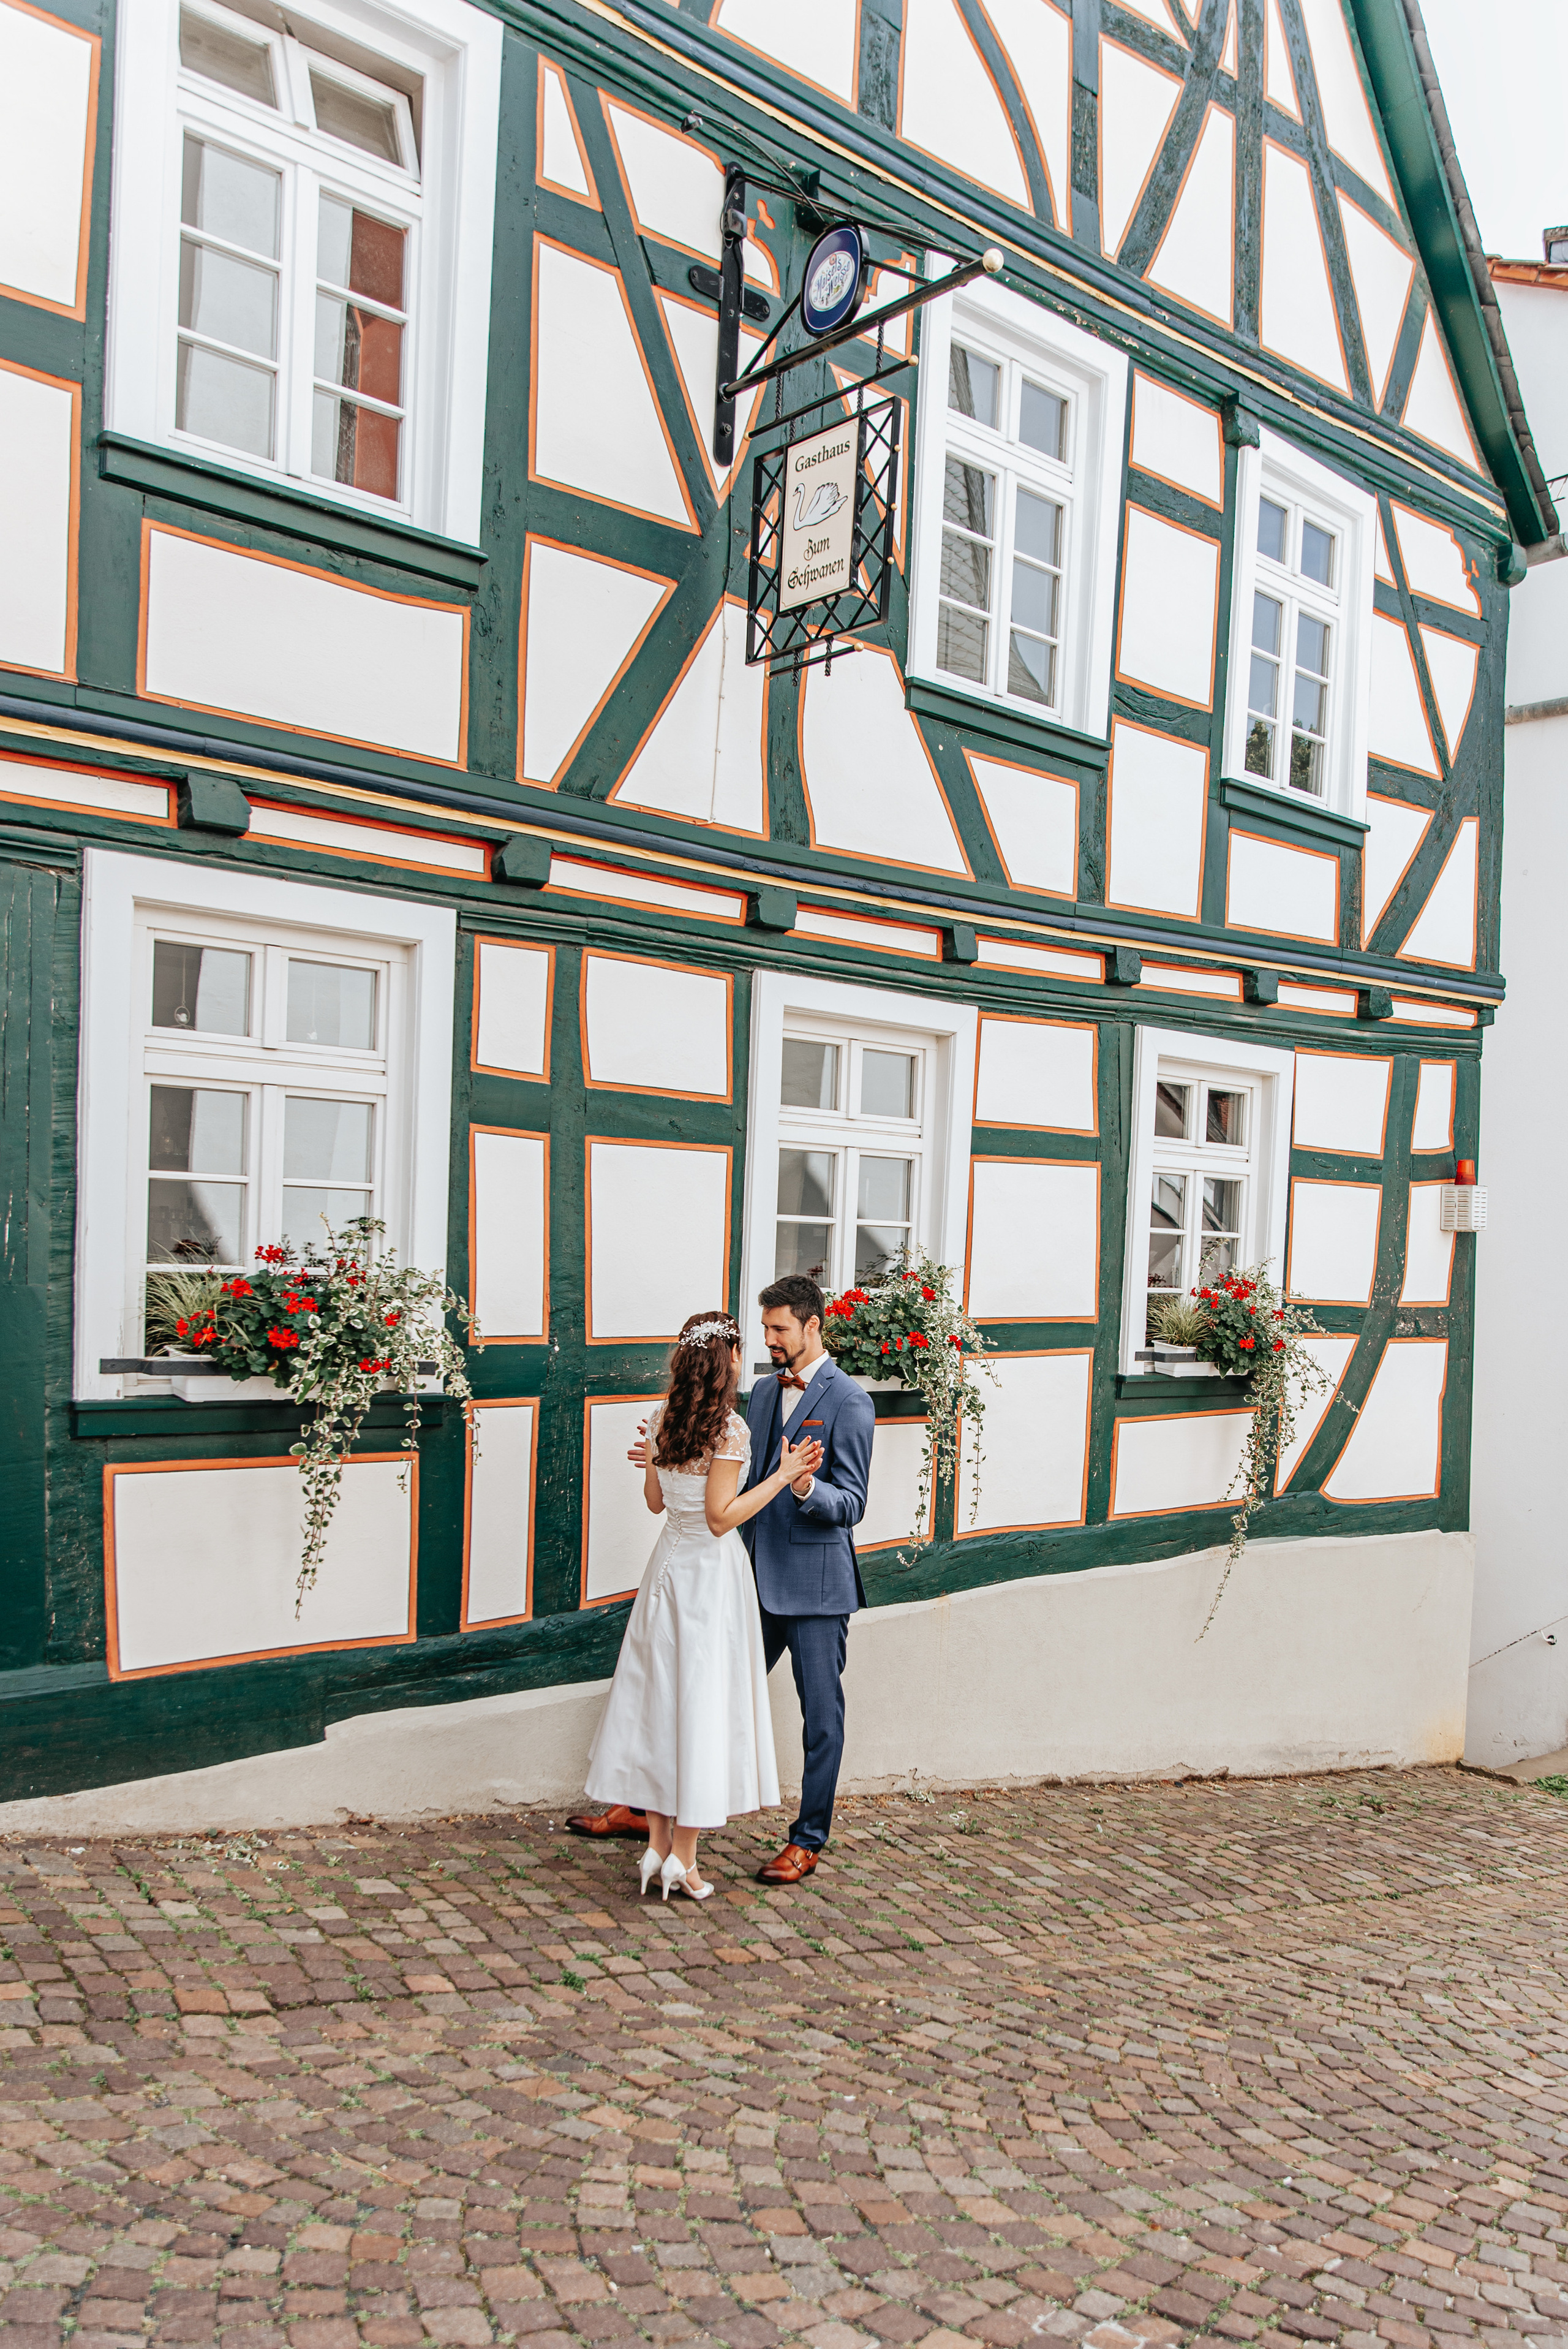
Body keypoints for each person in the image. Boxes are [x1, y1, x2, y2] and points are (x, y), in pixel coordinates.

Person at [579, 1312, 823, 1901]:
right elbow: (720, 1519)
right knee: (701, 1706)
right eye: (739, 1350)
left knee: (662, 1704)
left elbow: (656, 1503)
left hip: (665, 1572)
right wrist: (782, 1476)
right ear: (727, 1360)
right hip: (710, 1579)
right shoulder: (730, 1429)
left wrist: (654, 1461)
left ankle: (657, 1848)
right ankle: (683, 1861)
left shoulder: (663, 1418)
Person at [742, 1273, 875, 1886]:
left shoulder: (850, 1401)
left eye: (779, 1329)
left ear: (812, 1325)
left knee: (821, 1720)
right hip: (753, 1577)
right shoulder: (762, 1393)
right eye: (765, 1328)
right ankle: (655, 1808)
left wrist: (805, 1488)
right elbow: (747, 1481)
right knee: (711, 1690)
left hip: (818, 1589)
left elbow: (852, 1503)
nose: (769, 1339)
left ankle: (807, 1840)